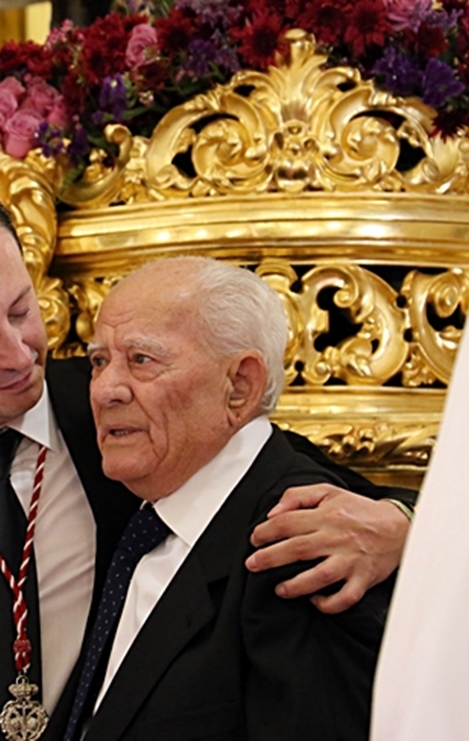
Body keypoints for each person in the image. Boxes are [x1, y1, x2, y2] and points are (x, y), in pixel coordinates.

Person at [0, 174, 413, 741]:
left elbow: (279, 471)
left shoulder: (134, 420)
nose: (17, 352)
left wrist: (405, 527)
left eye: (20, 308)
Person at [66, 257, 392, 741]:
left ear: (239, 386)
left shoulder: (306, 542)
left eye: (141, 360)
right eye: (99, 361)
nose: (105, 390)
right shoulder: (139, 513)